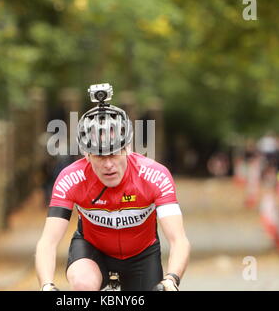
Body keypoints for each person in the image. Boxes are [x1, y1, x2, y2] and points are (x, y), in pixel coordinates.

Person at [35, 84, 190, 291]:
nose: (108, 164)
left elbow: (178, 239)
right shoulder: (71, 178)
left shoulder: (154, 175)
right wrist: (46, 285)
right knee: (83, 283)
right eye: (99, 156)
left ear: (127, 148)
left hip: (141, 255)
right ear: (86, 154)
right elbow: (48, 241)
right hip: (92, 250)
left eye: (114, 153)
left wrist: (171, 279)